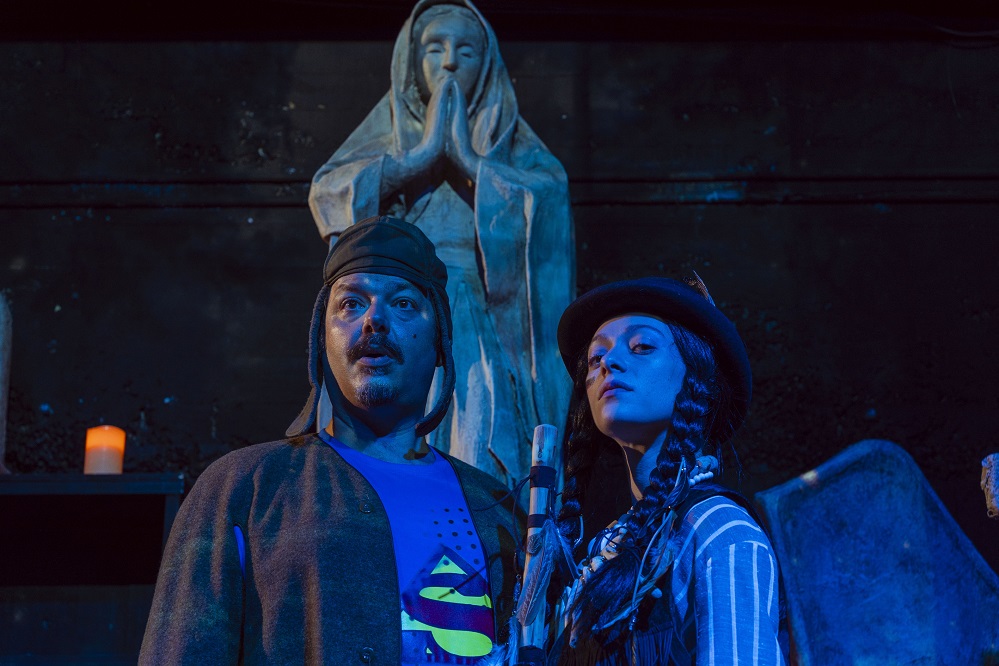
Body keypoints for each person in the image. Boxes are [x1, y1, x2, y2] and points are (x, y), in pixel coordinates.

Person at [139, 216, 520, 664]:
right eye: (351, 303)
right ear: (321, 339)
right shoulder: (243, 489)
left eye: (402, 304)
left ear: (441, 340)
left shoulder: (497, 510)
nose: (374, 320)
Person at [308, 0, 573, 486]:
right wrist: (420, 157)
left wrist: (471, 161)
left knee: (475, 434)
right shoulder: (386, 138)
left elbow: (546, 201)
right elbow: (330, 192)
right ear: (412, 63)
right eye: (435, 48)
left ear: (485, 65)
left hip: (472, 316)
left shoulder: (513, 146)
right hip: (395, 314)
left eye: (465, 51)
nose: (450, 62)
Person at [545, 276, 786, 665]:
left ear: (695, 378)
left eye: (642, 346)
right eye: (595, 357)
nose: (609, 363)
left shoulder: (718, 531)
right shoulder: (607, 547)